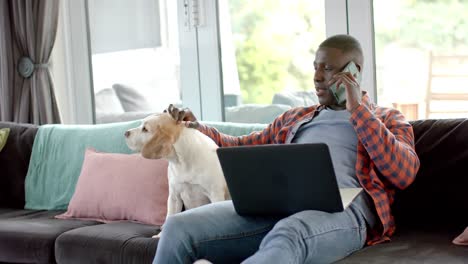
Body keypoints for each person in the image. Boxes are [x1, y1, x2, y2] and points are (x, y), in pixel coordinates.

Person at [153, 34, 420, 264]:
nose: (316, 77)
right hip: (278, 207)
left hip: (344, 214)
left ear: (354, 72)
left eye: (327, 69)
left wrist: (357, 110)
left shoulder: (386, 119)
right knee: (178, 227)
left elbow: (404, 174)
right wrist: (197, 127)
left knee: (290, 231)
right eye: (315, 67)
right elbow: (239, 146)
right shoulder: (296, 118)